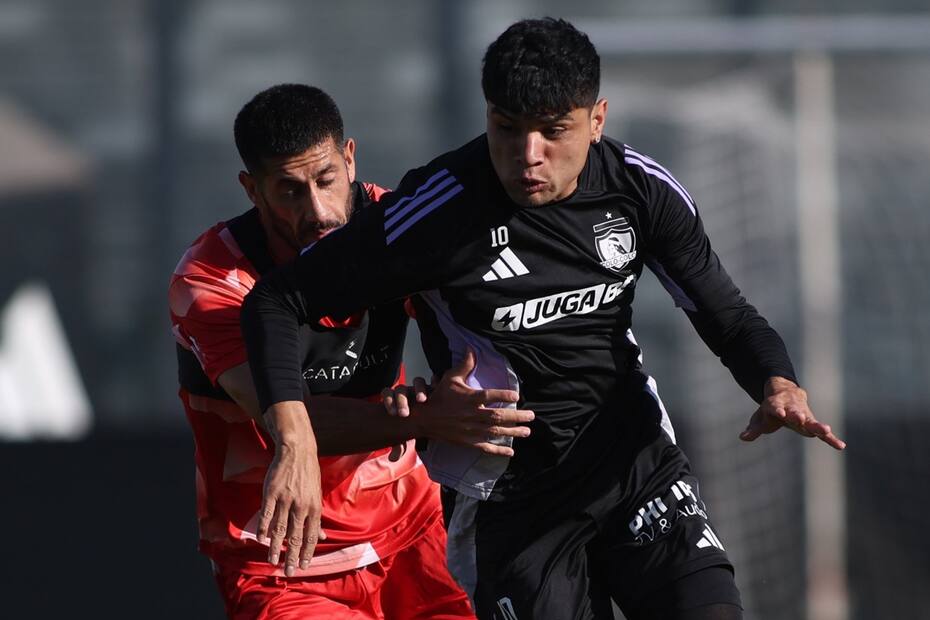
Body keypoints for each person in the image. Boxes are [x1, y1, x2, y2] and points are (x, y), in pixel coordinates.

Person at [239, 21, 846, 620]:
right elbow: (274, 301)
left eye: (554, 132)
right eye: (507, 129)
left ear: (597, 120)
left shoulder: (640, 190)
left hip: (635, 469)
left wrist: (777, 383)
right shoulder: (435, 211)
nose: (528, 156)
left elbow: (727, 316)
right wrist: (294, 440)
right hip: (514, 502)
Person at [169, 83, 534, 619]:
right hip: (282, 565)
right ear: (252, 190)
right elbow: (289, 419)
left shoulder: (396, 226)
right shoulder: (211, 280)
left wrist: (452, 389)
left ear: (350, 158)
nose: (318, 210)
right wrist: (425, 419)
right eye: (290, 191)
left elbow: (487, 324)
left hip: (414, 538)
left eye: (326, 180)